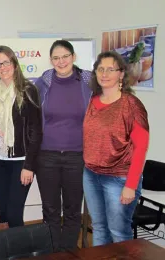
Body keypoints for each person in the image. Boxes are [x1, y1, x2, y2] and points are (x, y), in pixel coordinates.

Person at [83, 51, 149, 246]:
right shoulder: (92, 101)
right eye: (100, 69)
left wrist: (131, 185)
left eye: (110, 69)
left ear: (121, 74)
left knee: (119, 232)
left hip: (119, 179)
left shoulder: (131, 105)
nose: (104, 73)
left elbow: (141, 148)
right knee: (99, 227)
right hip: (91, 174)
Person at [34, 40, 92, 251]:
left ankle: (68, 252)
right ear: (51, 60)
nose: (61, 61)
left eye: (65, 56)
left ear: (73, 56)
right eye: (56, 58)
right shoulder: (42, 84)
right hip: (46, 156)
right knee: (50, 209)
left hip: (77, 156)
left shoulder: (88, 82)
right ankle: (52, 252)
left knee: (72, 209)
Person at [0, 45, 42, 230]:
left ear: (14, 64)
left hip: (21, 161)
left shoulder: (28, 90)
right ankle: (4, 252)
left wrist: (29, 166)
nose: (2, 67)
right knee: (3, 213)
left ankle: (20, 254)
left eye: (5, 62)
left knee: (14, 213)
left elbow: (36, 131)